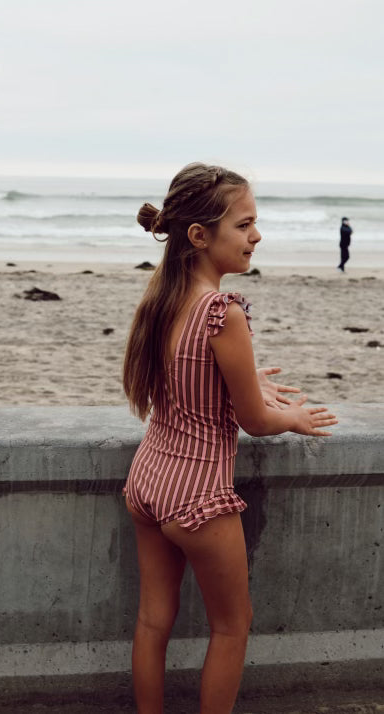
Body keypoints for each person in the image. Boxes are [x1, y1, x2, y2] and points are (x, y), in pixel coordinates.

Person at [122, 163, 337, 714]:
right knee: (231, 628)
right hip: (197, 493)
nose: (256, 236)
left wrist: (245, 382)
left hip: (148, 480)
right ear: (200, 236)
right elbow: (255, 422)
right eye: (244, 225)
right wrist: (294, 418)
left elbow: (183, 376)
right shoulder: (223, 312)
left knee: (151, 621)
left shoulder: (162, 299)